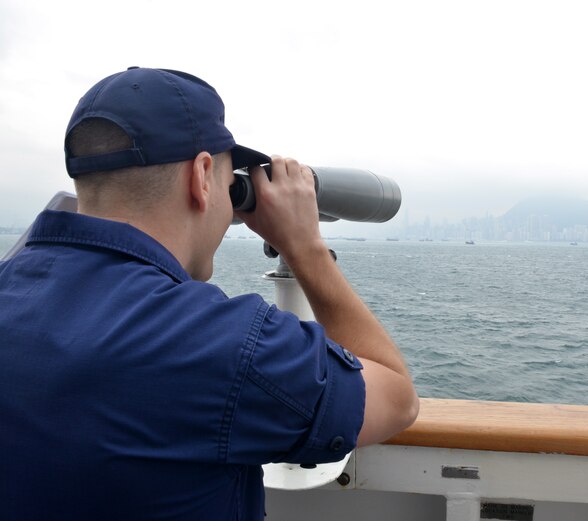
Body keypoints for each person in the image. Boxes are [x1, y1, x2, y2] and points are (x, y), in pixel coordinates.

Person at [0, 67, 418, 520]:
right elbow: (397, 400)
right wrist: (306, 247)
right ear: (201, 177)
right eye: (227, 181)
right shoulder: (225, 346)